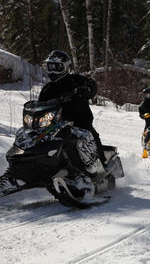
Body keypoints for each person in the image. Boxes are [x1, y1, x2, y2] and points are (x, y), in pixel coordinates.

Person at [39, 50, 107, 195]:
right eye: (50, 66)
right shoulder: (48, 89)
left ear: (65, 67)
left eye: (56, 67)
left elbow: (92, 85)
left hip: (80, 122)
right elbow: (41, 106)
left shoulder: (76, 80)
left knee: (91, 136)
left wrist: (87, 89)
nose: (52, 71)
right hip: (55, 126)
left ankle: (103, 166)